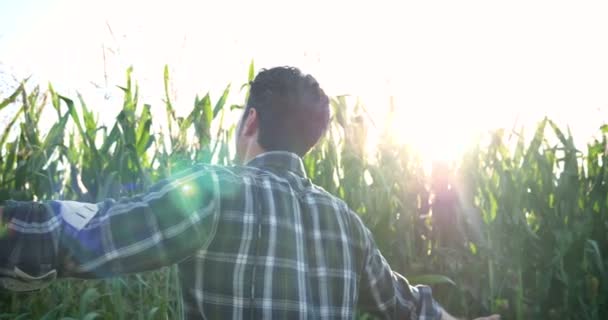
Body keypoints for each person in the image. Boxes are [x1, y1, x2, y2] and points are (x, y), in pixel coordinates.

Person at [0, 67, 498, 320]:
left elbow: (89, 234)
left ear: (251, 122)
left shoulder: (216, 192)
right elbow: (408, 308)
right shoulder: (347, 224)